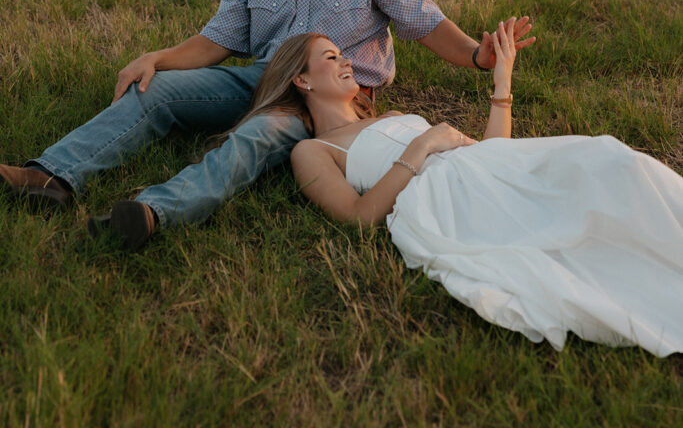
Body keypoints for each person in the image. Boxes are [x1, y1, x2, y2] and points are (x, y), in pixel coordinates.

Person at [1, 0, 534, 251]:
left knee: (256, 136)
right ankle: (51, 176)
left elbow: (424, 22)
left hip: (331, 98)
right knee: (154, 90)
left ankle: (150, 213)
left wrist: (476, 55)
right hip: (263, 76)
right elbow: (219, 40)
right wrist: (157, 59)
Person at [239, 27, 683, 357]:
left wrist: (502, 83)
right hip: (442, 196)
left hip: (482, 170)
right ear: (302, 80)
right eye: (331, 57)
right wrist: (424, 144)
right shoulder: (313, 151)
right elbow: (358, 216)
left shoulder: (390, 113)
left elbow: (494, 156)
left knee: (611, 161)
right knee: (566, 243)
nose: (346, 61)